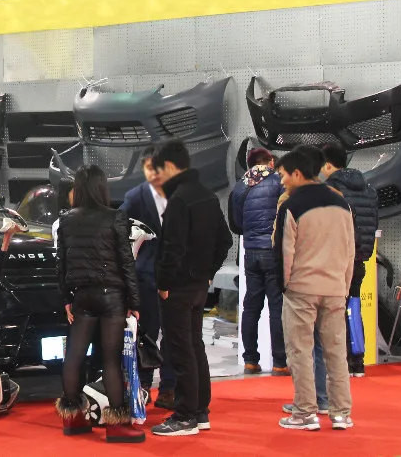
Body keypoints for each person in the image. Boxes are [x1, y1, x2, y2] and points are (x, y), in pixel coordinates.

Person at [54, 165, 145, 444]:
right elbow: (126, 262)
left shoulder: (66, 220)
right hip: (111, 297)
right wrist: (134, 301)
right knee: (110, 359)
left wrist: (66, 299)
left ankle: (73, 418)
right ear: (101, 187)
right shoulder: (115, 217)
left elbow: (62, 263)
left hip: (81, 296)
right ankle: (117, 425)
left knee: (74, 355)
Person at [150, 140, 232, 437]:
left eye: (159, 170)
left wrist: (163, 283)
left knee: (180, 349)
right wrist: (208, 273)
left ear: (171, 166)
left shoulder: (180, 199)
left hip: (178, 288)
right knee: (195, 347)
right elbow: (225, 240)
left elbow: (172, 248)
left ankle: (185, 416)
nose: (157, 177)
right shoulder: (206, 195)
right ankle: (199, 411)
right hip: (198, 286)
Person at [274, 147, 355, 431]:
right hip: (335, 288)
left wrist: (284, 286)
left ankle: (305, 412)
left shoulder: (291, 205)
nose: (282, 181)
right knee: (336, 352)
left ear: (297, 173)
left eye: (283, 175)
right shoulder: (342, 203)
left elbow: (285, 252)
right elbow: (350, 251)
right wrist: (344, 286)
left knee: (300, 351)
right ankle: (341, 413)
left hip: (301, 289)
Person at [119, 146, 176, 409]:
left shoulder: (181, 195)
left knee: (174, 335)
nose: (154, 173)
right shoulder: (135, 197)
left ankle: (169, 388)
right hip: (146, 278)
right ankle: (142, 388)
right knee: (147, 335)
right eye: (148, 168)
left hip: (177, 278)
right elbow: (118, 230)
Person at [228, 147, 288, 376]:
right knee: (276, 307)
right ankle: (280, 362)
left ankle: (250, 360)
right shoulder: (279, 181)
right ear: (270, 161)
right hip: (273, 251)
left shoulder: (240, 186)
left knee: (251, 307)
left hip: (251, 251)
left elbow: (236, 224)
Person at [320, 143, 378, 378]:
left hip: (336, 259)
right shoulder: (368, 189)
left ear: (328, 165)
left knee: (334, 311)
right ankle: (357, 362)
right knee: (353, 307)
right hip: (360, 258)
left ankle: (339, 363)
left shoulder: (330, 190)